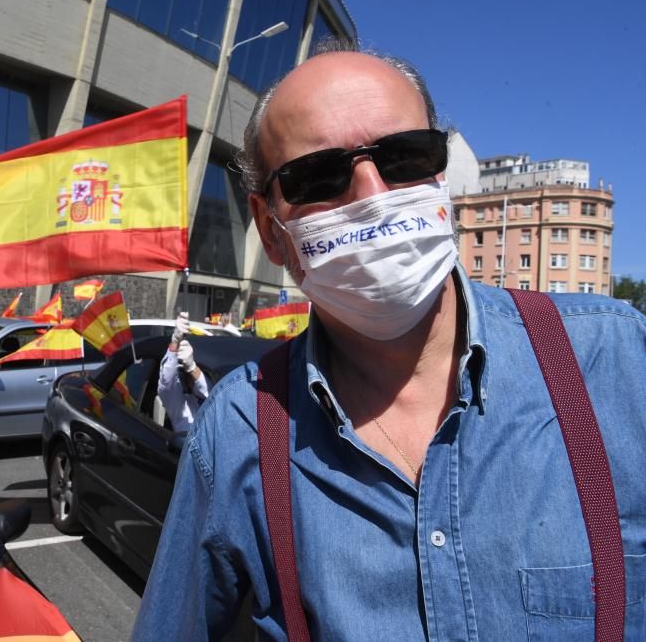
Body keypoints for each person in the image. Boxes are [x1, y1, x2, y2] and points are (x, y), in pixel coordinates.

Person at [133, 40, 646, 640]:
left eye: (404, 156)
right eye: (319, 174)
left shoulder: (617, 361)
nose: (374, 195)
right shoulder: (243, 428)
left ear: (441, 176)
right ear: (271, 233)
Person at [156, 312, 209, 433]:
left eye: (202, 371)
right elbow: (167, 383)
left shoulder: (223, 399)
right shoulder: (182, 406)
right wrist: (175, 341)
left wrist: (192, 367)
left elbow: (211, 392)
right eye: (191, 375)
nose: (195, 378)